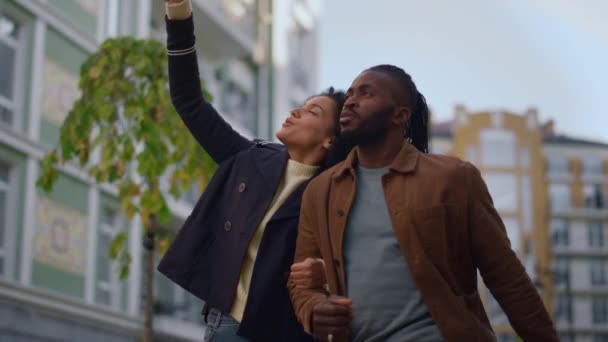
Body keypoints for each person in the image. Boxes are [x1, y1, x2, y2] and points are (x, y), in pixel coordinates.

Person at [288, 64, 559, 341]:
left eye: (366, 94)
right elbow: (300, 284)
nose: (351, 101)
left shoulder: (454, 178)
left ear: (399, 115)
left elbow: (507, 278)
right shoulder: (321, 191)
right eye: (351, 94)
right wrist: (315, 309)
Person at [158, 1, 351, 341]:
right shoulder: (248, 158)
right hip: (225, 326)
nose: (296, 111)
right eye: (301, 105)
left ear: (329, 140)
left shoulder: (336, 194)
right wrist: (178, 15)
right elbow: (188, 101)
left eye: (312, 112)